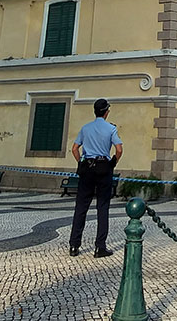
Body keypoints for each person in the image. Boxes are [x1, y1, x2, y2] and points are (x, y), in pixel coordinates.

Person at [69, 98, 123, 258]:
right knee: (102, 207)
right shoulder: (111, 128)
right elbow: (119, 149)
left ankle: (74, 245)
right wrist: (113, 162)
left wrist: (81, 162)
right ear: (106, 112)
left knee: (81, 208)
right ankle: (100, 247)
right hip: (103, 168)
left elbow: (74, 149)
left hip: (87, 168)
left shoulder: (85, 128)